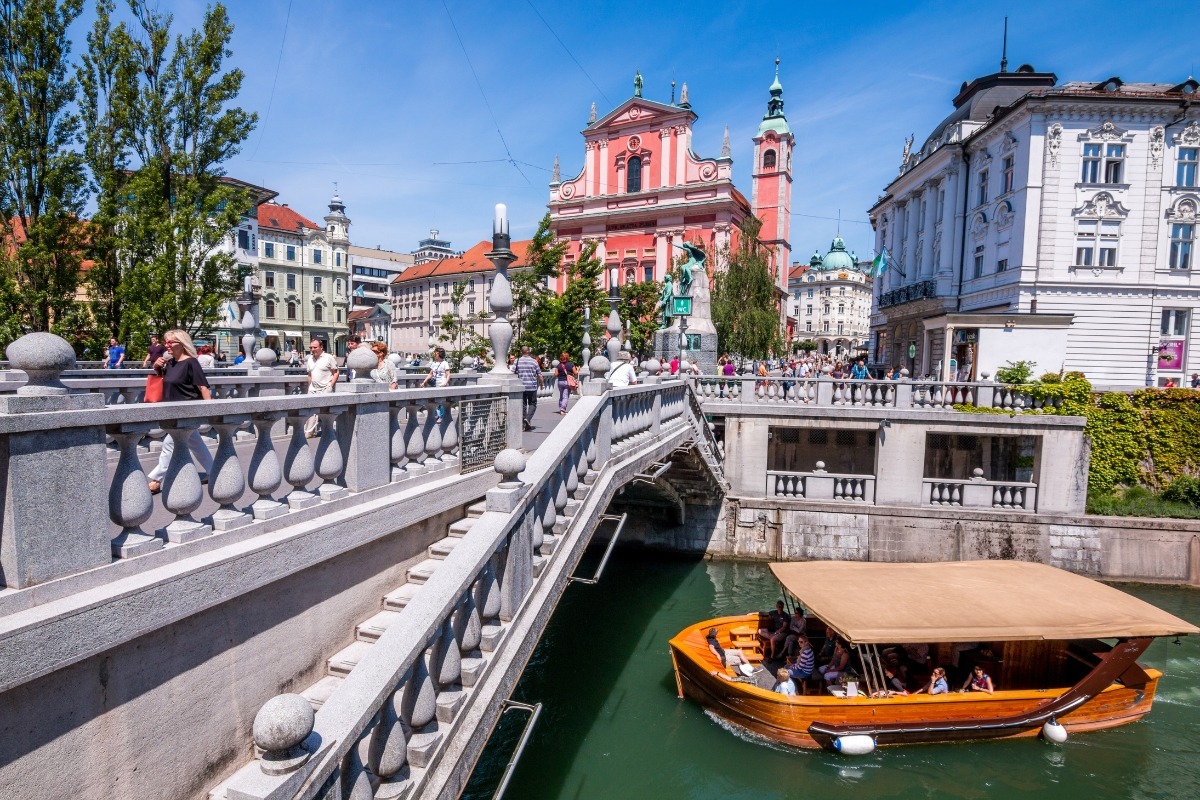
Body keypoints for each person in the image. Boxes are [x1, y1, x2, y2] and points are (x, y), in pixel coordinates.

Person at [146, 330, 214, 494]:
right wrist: (156, 367)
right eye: (166, 342)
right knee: (195, 443)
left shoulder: (191, 362)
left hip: (188, 410)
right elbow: (164, 382)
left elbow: (202, 387)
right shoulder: (169, 363)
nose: (167, 345)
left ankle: (156, 480)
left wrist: (211, 410)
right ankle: (214, 471)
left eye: (171, 342)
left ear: (182, 344)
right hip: (172, 411)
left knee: (169, 443)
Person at [305, 338, 339, 438]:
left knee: (326, 412)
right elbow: (309, 374)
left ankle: (327, 431)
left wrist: (331, 386)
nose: (312, 349)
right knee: (310, 411)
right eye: (311, 347)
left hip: (325, 389)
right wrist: (309, 386)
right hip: (312, 389)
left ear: (321, 347)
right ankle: (309, 432)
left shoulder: (328, 357)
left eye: (315, 347)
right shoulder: (310, 359)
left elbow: (336, 372)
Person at [515, 346, 543, 431]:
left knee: (523, 405)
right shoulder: (534, 361)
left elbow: (512, 372)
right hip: (532, 386)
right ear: (528, 351)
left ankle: (524, 424)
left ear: (522, 352)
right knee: (533, 404)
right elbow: (539, 374)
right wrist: (542, 384)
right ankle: (527, 419)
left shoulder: (517, 361)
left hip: (521, 386)